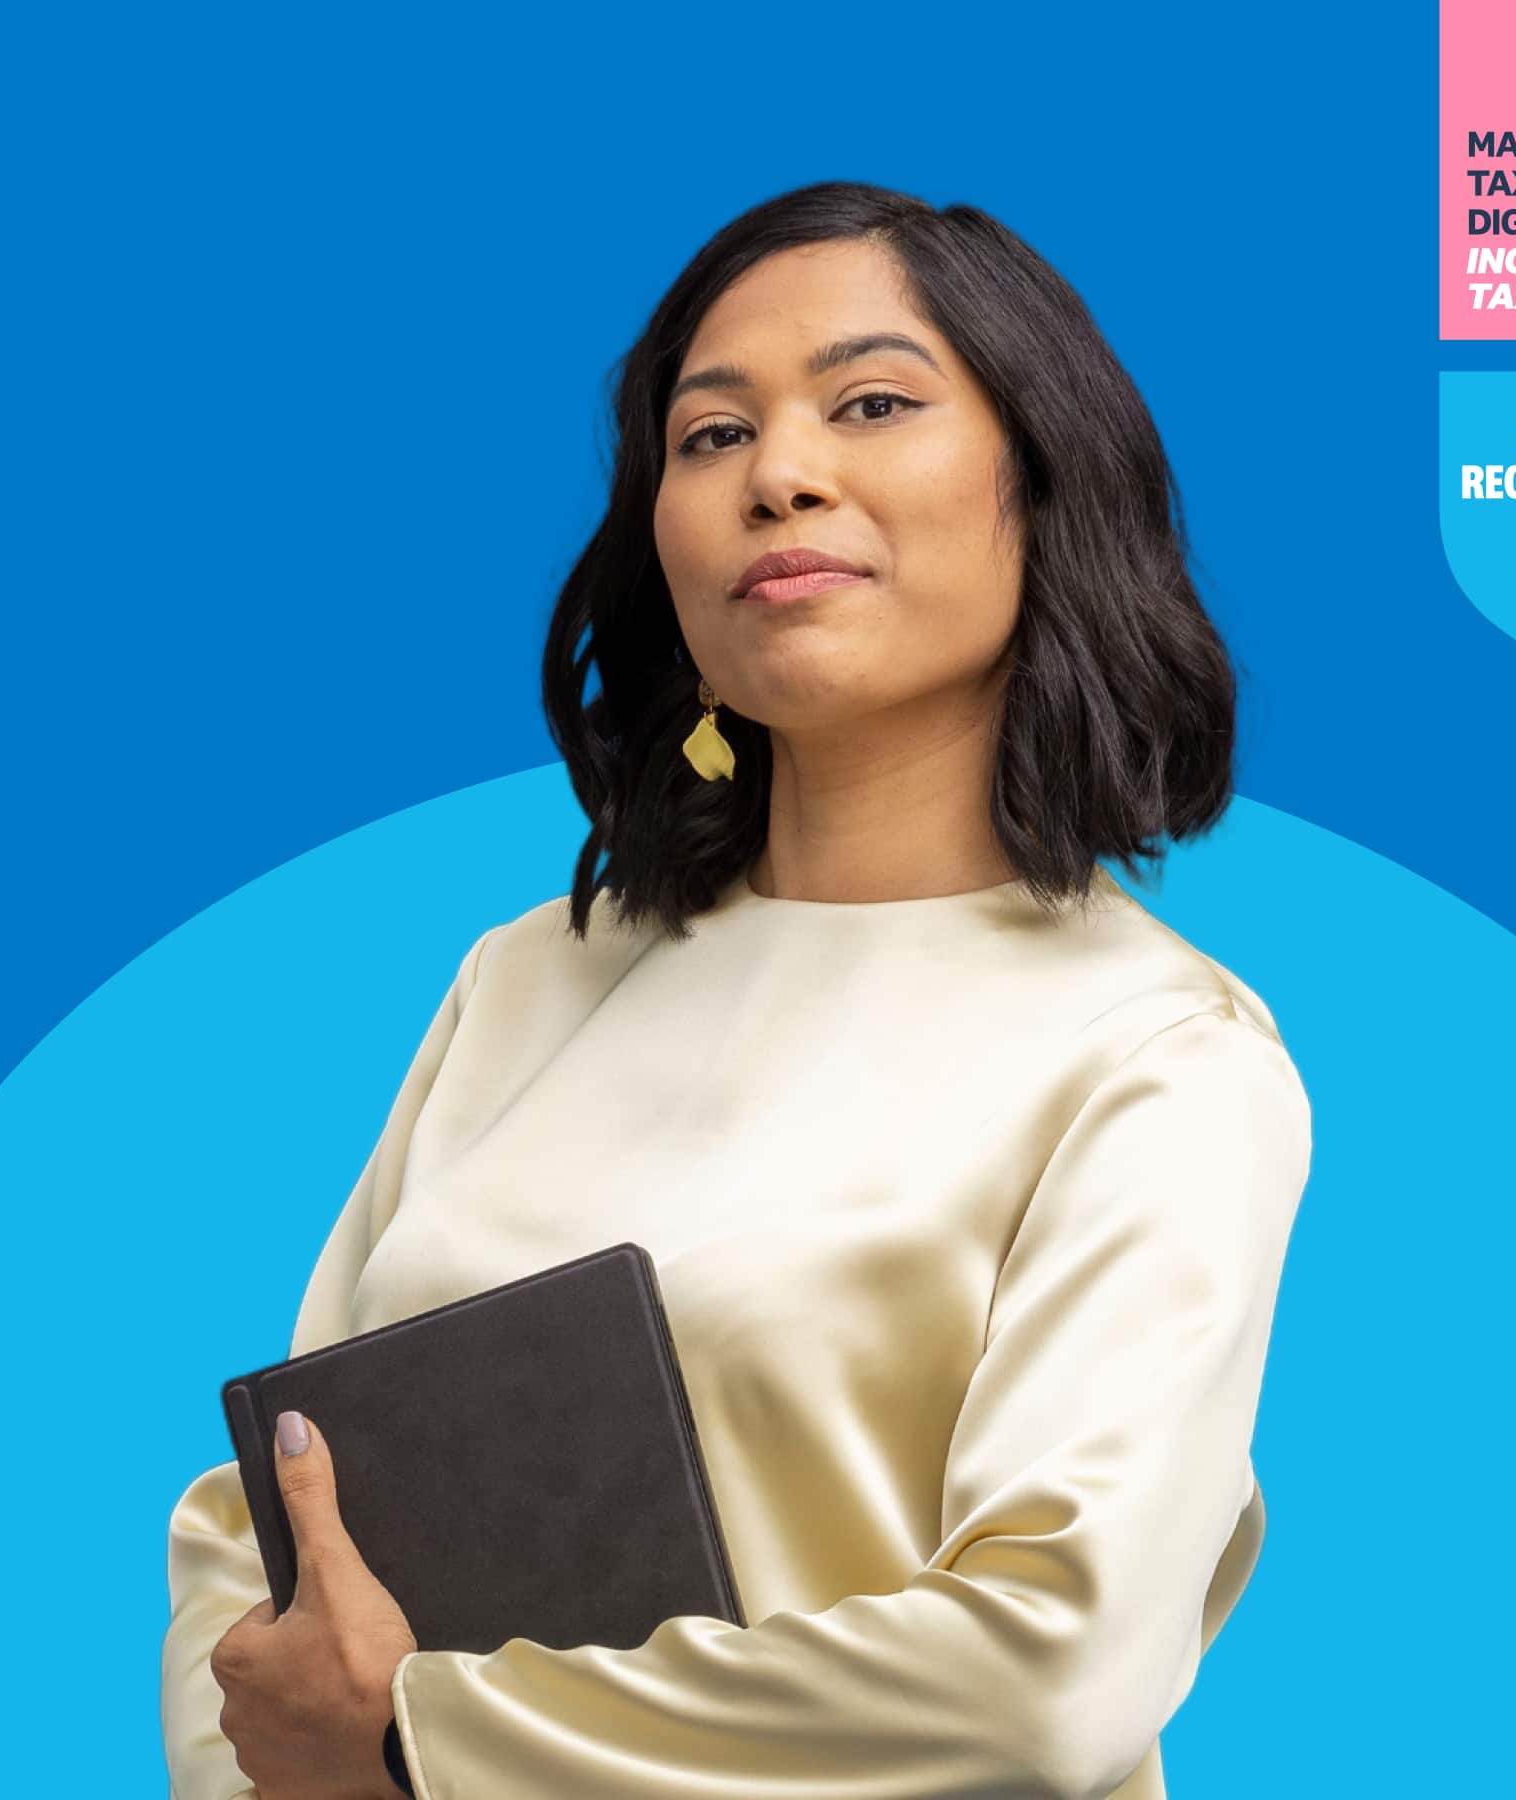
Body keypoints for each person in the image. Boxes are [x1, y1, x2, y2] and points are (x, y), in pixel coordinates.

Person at [161, 178, 1314, 1800]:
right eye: (711, 436)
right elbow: (264, 1520)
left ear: (1045, 491)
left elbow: (1049, 1673)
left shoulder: (1153, 1058)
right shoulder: (526, 986)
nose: (781, 473)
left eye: (873, 404)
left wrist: (429, 1743)